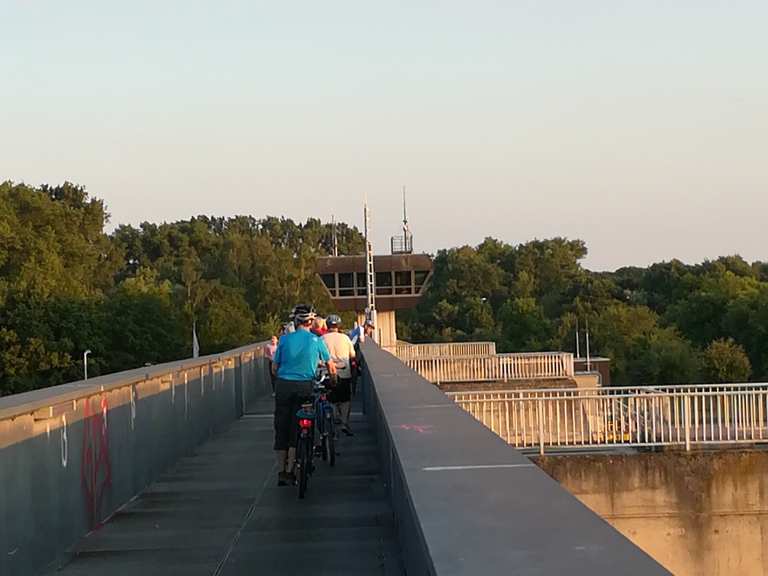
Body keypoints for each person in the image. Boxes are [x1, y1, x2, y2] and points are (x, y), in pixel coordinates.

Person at [272, 304, 336, 486]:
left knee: (282, 427)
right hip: (305, 387)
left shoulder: (284, 340)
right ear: (310, 322)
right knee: (298, 427)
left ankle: (281, 472)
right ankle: (293, 467)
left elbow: (274, 367)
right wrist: (333, 379)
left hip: (283, 387)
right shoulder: (316, 341)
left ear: (295, 321)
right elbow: (330, 366)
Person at [322, 315, 356, 436]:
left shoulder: (322, 339)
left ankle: (332, 420)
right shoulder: (345, 338)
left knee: (330, 399)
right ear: (339, 326)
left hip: (327, 374)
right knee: (345, 399)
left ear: (327, 325)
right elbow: (352, 355)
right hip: (344, 373)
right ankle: (344, 422)